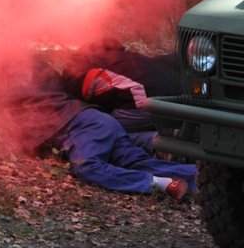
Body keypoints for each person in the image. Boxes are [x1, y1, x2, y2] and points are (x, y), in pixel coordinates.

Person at [13, 60, 197, 201]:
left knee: (88, 166)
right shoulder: (40, 71)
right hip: (99, 120)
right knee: (135, 160)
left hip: (84, 124)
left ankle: (161, 184)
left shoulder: (17, 84)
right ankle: (202, 179)